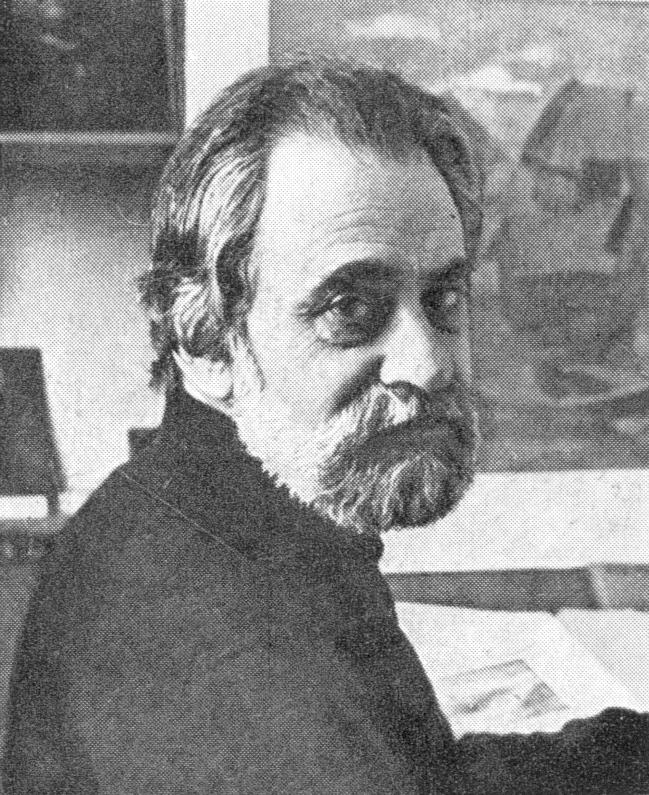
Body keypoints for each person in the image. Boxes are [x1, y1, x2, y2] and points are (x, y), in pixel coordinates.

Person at [3, 59, 648, 794]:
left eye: (442, 298)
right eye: (349, 308)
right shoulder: (220, 638)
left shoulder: (216, 516)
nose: (427, 362)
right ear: (206, 342)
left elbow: (420, 779)